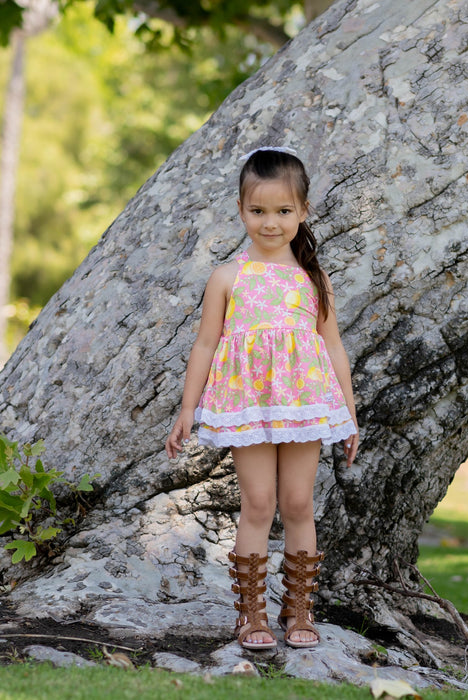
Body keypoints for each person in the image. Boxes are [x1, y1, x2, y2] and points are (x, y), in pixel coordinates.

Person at [165, 147, 358, 650]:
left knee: (297, 502)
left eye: (283, 211)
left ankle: (299, 612)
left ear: (303, 212)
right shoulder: (228, 278)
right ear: (241, 210)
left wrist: (348, 416)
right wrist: (188, 408)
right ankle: (251, 615)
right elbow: (206, 343)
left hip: (304, 406)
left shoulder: (312, 279)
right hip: (247, 404)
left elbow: (332, 346)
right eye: (258, 211)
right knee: (257, 502)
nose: (270, 223)